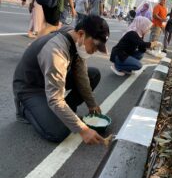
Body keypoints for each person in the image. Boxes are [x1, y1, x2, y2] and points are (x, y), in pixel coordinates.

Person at [13, 15, 110, 145]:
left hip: (47, 83)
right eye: (94, 46)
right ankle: (24, 109)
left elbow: (81, 76)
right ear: (81, 34)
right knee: (59, 131)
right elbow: (55, 99)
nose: (93, 51)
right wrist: (83, 129)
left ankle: (64, 111)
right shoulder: (56, 51)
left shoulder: (75, 38)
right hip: (31, 88)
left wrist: (91, 104)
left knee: (93, 74)